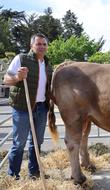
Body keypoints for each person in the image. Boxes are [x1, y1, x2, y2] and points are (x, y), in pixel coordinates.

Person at [4, 33, 53, 180]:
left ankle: (34, 173)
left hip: (41, 108)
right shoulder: (21, 59)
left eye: (44, 44)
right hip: (22, 108)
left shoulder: (48, 64)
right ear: (31, 45)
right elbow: (6, 80)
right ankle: (13, 175)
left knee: (37, 143)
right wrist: (18, 77)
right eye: (38, 44)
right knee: (19, 143)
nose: (42, 47)